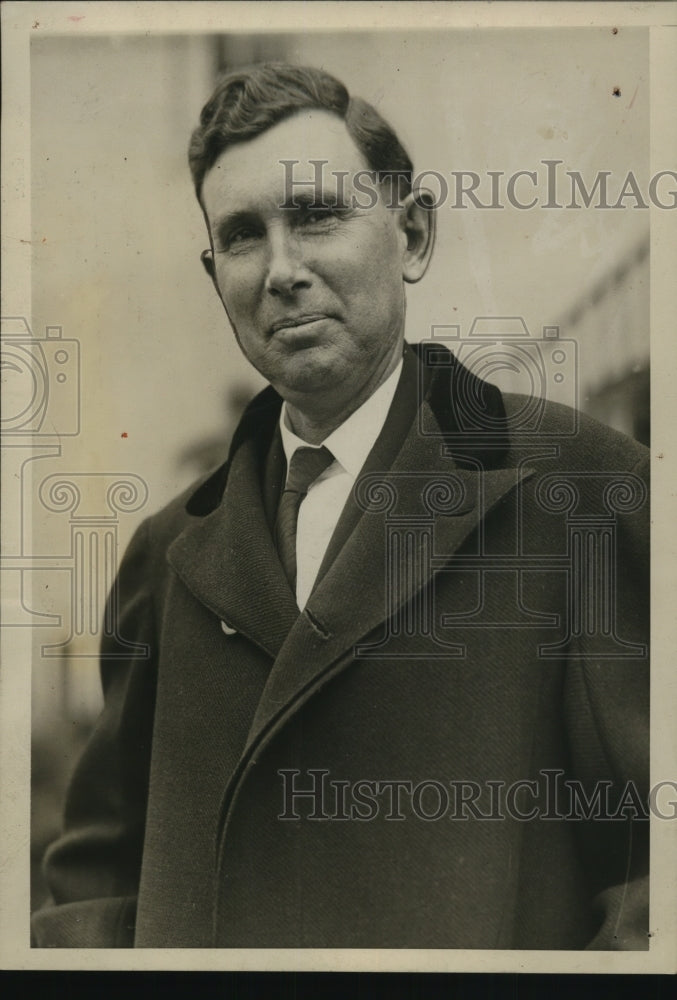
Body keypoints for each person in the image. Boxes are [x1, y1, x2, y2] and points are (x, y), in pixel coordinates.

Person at [32, 62, 649, 950]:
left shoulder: (578, 485)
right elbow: (94, 884)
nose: (282, 270)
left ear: (412, 235)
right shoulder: (164, 555)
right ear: (217, 279)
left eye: (317, 215)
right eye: (243, 236)